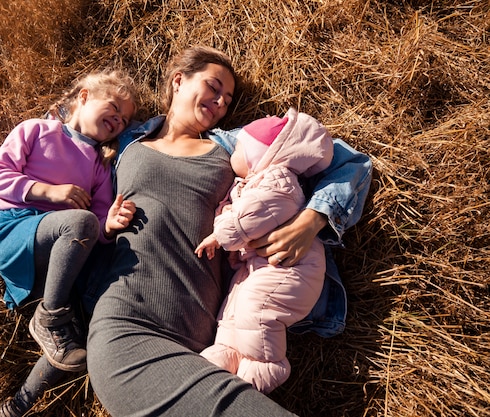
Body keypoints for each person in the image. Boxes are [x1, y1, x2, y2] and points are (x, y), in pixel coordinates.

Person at [83, 46, 372, 417]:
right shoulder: (126, 142)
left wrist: (311, 221)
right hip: (128, 326)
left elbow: (351, 164)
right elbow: (65, 147)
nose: (220, 101)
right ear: (178, 81)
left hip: (215, 346)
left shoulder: (233, 146)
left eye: (227, 98)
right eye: (213, 86)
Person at [0, 69, 138, 417]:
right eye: (113, 107)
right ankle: (48, 315)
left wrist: (109, 227)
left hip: (60, 263)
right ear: (83, 97)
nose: (118, 119)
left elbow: (96, 226)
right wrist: (49, 192)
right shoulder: (36, 130)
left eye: (124, 119)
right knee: (77, 221)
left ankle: (16, 406)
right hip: (16, 233)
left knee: (78, 335)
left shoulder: (99, 167)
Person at [194, 111, 334, 394]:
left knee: (255, 311)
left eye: (240, 147)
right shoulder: (259, 182)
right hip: (263, 268)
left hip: (291, 269)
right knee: (234, 310)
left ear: (258, 156)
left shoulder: (277, 181)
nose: (233, 151)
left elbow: (252, 215)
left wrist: (220, 234)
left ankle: (264, 369)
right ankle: (226, 354)